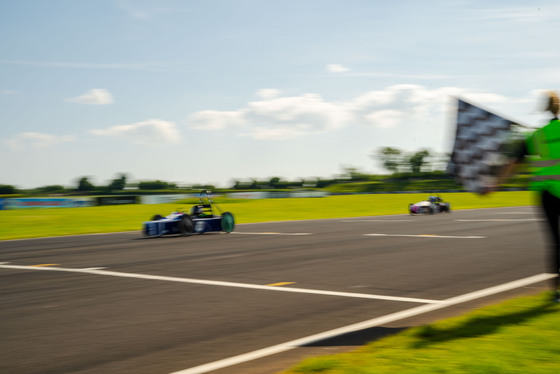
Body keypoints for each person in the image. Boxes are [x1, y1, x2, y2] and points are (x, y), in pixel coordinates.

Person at [486, 91, 560, 302]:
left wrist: (495, 184)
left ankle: (556, 291)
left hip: (546, 193)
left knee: (555, 242)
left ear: (545, 108)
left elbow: (512, 165)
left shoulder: (535, 136)